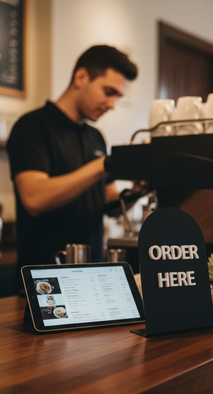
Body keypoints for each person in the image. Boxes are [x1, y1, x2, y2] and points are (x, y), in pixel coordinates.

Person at [7, 45, 141, 275]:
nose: (112, 105)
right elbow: (34, 198)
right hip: (45, 275)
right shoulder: (32, 126)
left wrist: (138, 190)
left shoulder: (95, 137)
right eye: (108, 92)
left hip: (93, 270)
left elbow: (110, 204)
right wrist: (104, 164)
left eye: (117, 96)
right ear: (81, 77)